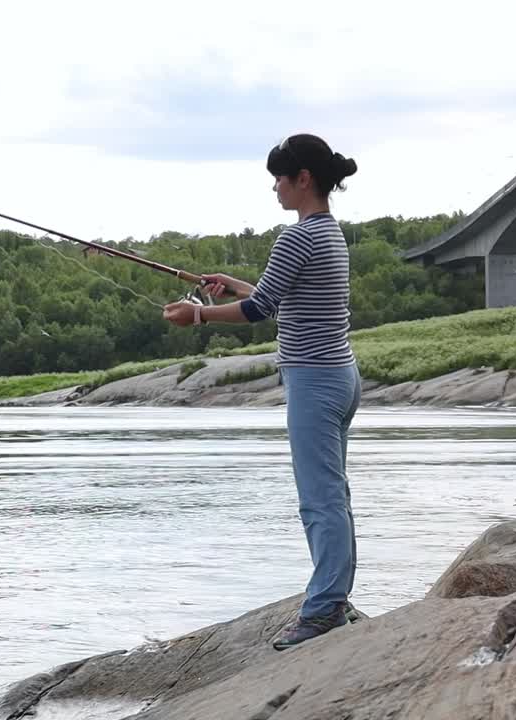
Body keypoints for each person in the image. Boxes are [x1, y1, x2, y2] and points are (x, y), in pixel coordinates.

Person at [161, 133, 362, 650]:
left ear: (304, 179)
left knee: (320, 502)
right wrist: (238, 284)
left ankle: (323, 612)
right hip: (340, 376)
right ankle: (333, 599)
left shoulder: (296, 238)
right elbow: (278, 300)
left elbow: (258, 311)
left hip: (314, 380)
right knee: (333, 496)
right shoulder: (328, 233)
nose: (274, 187)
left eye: (279, 177)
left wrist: (199, 314)